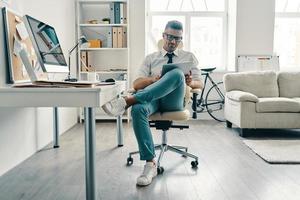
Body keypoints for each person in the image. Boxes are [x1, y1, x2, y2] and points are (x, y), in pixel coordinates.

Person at [102, 20, 203, 186]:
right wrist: (153, 80)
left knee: (176, 74)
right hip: (152, 100)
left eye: (177, 39)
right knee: (138, 109)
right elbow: (136, 84)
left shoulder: (188, 57)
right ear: (163, 36)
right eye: (169, 37)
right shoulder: (151, 58)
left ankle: (127, 101)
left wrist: (190, 82)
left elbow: (200, 84)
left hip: (174, 101)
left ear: (180, 40)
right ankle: (150, 164)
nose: (172, 41)